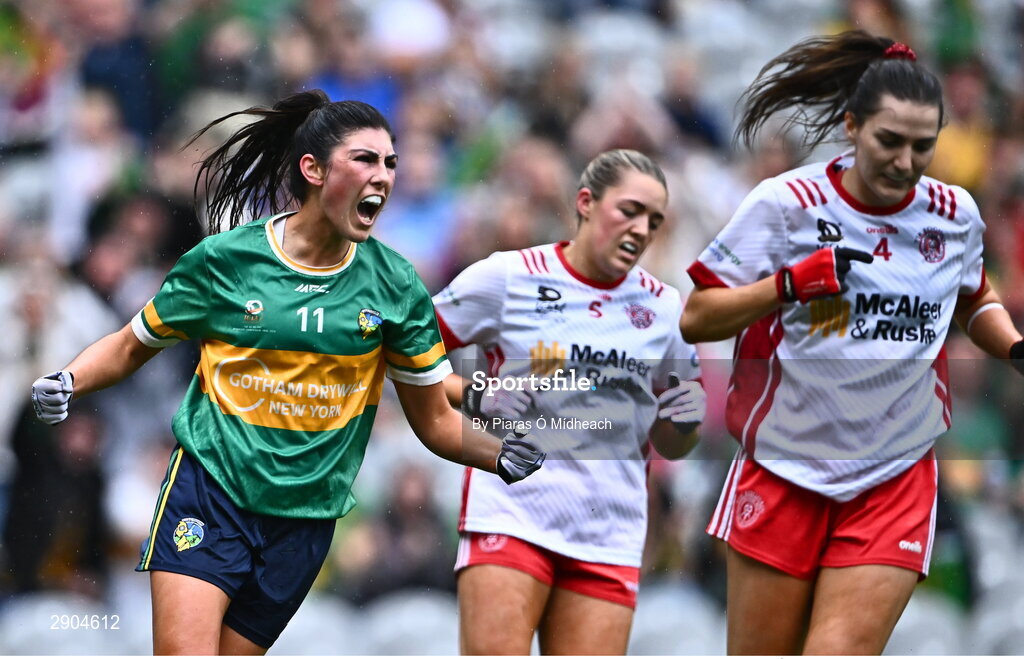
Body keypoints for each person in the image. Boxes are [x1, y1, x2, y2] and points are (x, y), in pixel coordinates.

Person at [28, 89, 545, 655]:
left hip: (304, 521)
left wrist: (499, 454)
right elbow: (130, 346)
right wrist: (70, 379)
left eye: (391, 163)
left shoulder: (396, 285)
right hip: (211, 493)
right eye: (366, 160)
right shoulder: (225, 261)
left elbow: (435, 423)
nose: (384, 176)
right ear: (313, 170)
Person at [679, 31, 1024, 655]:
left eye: (923, 146)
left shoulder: (954, 215)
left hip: (895, 475)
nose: (905, 162)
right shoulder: (787, 205)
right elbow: (698, 317)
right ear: (851, 126)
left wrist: (1012, 346)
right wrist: (787, 286)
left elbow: (975, 299)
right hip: (784, 467)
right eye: (888, 142)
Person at [433, 149, 706, 655]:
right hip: (512, 511)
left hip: (608, 529)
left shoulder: (666, 308)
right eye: (629, 211)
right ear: (586, 202)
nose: (642, 229)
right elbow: (410, 354)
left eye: (655, 220)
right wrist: (473, 392)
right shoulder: (508, 277)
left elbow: (673, 443)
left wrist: (685, 425)